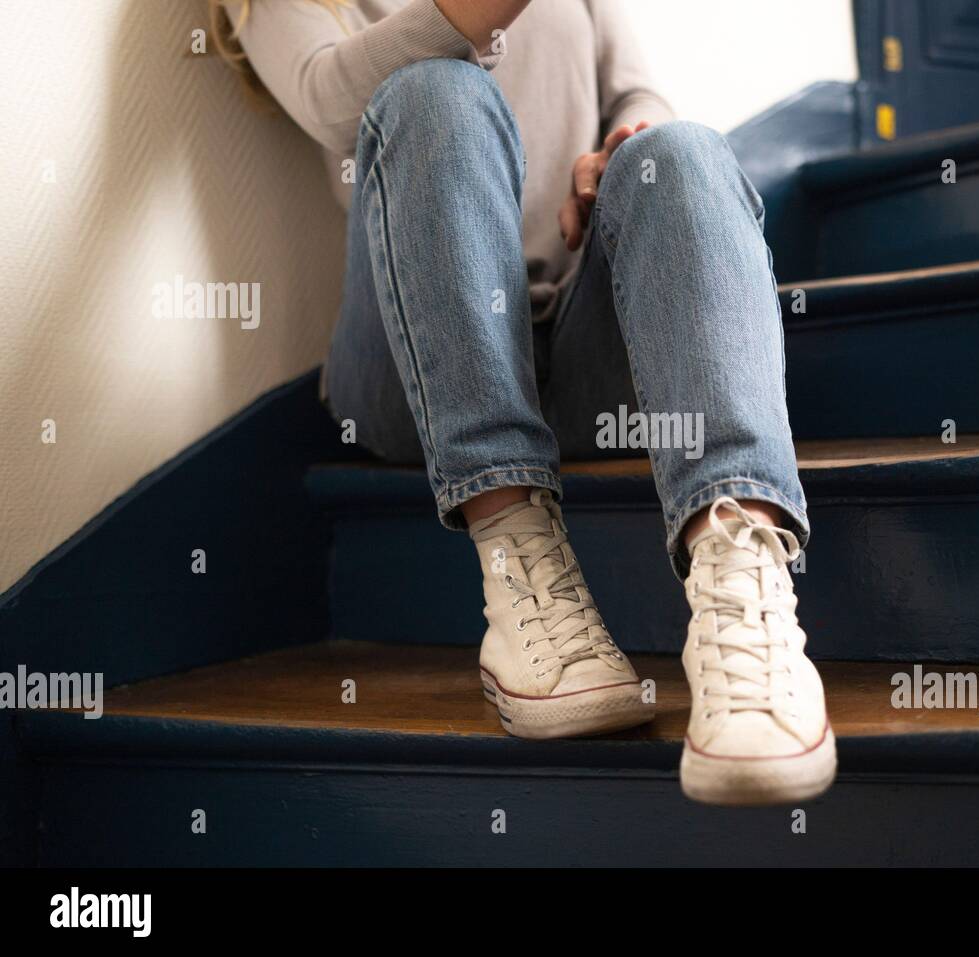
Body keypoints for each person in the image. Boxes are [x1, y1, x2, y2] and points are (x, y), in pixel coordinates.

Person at [216, 0, 835, 805]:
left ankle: (743, 580)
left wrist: (620, 149)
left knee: (676, 151)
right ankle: (520, 565)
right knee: (429, 92)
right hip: (416, 368)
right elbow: (330, 100)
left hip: (578, 343)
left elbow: (637, 93)